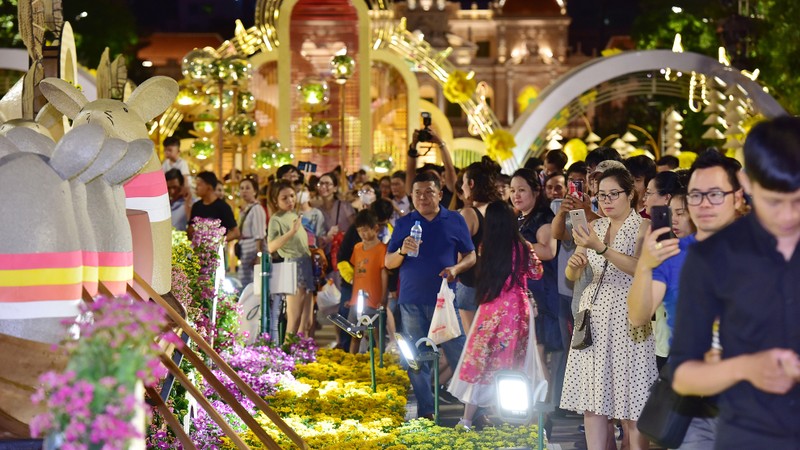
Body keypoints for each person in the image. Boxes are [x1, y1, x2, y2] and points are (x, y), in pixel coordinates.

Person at [671, 116, 800, 449]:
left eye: (798, 202)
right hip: (748, 435)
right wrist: (744, 367)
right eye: (774, 202)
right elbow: (683, 374)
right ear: (747, 184)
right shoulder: (712, 259)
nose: (787, 217)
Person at [628, 150, 743, 449]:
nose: (704, 203)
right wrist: (644, 265)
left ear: (738, 197)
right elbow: (638, 316)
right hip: (695, 406)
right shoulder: (673, 256)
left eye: (715, 194)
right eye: (696, 195)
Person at [561, 166, 655, 450]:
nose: (607, 201)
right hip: (593, 318)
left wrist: (600, 249)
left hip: (629, 316)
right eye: (602, 195)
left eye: (614, 194)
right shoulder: (595, 227)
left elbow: (640, 268)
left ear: (630, 195)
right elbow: (571, 274)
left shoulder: (644, 227)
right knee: (593, 400)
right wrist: (574, 266)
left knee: (632, 399)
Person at [385, 172, 476, 421]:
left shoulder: (454, 220)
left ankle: (474, 410)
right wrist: (402, 250)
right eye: (417, 193)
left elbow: (471, 255)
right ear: (411, 196)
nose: (423, 197)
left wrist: (456, 269)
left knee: (459, 353)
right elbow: (389, 261)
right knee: (416, 358)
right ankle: (426, 409)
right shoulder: (404, 223)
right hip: (411, 300)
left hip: (445, 301)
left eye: (428, 192)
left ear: (440, 194)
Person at [448, 201, 545, 431]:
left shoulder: (485, 247)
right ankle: (513, 418)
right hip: (517, 310)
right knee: (513, 362)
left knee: (480, 358)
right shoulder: (523, 246)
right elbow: (537, 272)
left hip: (491, 306)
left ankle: (466, 420)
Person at [510, 168, 559, 389]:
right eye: (512, 190)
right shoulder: (519, 217)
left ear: (536, 192)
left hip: (539, 293)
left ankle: (543, 415)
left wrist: (514, 242)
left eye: (522, 190)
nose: (516, 195)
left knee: (537, 357)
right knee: (524, 357)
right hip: (522, 293)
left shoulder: (543, 217)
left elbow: (548, 250)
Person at [457, 157, 501, 335]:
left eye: (463, 183)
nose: (462, 188)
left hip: (470, 285)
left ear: (471, 183)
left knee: (473, 344)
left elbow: (459, 253)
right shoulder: (501, 210)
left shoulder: (469, 213)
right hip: (497, 285)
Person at [267, 180, 314, 337]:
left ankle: (301, 355)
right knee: (294, 320)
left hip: (306, 264)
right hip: (292, 266)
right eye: (284, 198)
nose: (290, 201)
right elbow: (271, 247)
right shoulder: (276, 219)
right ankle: (287, 356)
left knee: (307, 322)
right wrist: (291, 232)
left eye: (292, 196)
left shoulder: (295, 215)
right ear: (276, 200)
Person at [346, 210, 388, 354]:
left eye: (365, 230)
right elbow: (356, 274)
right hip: (357, 300)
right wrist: (351, 298)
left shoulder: (382, 249)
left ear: (375, 228)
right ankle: (351, 361)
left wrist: (383, 298)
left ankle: (380, 362)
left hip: (374, 299)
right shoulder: (357, 248)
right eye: (359, 231)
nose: (362, 235)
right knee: (354, 333)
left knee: (376, 334)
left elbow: (384, 274)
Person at [312, 172, 356, 258]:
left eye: (327, 184)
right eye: (321, 183)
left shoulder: (344, 206)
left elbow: (355, 228)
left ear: (335, 188)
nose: (324, 186)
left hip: (345, 253)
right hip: (327, 256)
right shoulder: (317, 211)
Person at [189, 171, 239, 242]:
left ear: (209, 187)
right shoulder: (196, 206)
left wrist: (217, 242)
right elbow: (191, 228)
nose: (196, 188)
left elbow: (236, 232)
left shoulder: (223, 207)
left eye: (199, 185)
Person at [236, 176, 267, 287]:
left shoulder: (257, 209)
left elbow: (259, 235)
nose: (244, 191)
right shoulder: (244, 209)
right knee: (243, 280)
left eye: (248, 188)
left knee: (251, 282)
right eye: (242, 188)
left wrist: (258, 256)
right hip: (244, 248)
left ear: (255, 191)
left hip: (252, 248)